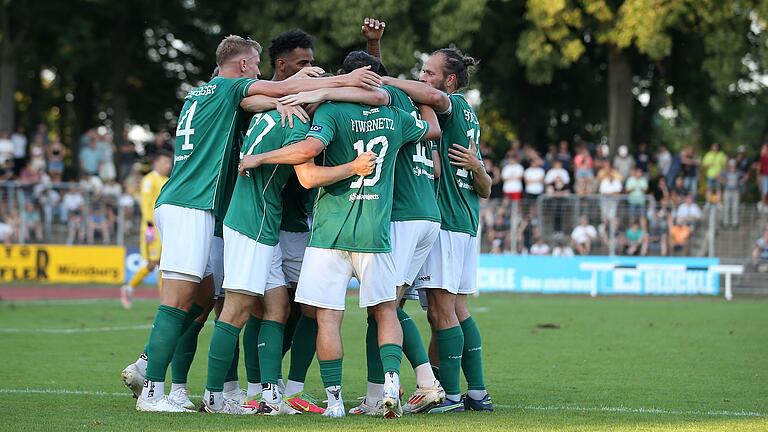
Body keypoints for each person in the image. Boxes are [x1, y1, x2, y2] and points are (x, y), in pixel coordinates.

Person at [124, 34, 382, 413]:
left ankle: (191, 386)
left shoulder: (204, 93)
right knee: (191, 304)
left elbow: (269, 96)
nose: (261, 74)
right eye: (257, 67)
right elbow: (280, 92)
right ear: (243, 66)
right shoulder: (235, 87)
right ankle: (161, 389)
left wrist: (299, 91)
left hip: (197, 206)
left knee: (206, 303)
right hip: (199, 205)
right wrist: (338, 81)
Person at [340, 43, 448, 415]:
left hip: (401, 215)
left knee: (383, 306)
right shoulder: (412, 102)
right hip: (428, 214)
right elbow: (433, 154)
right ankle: (379, 393)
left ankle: (424, 383)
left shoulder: (381, 103)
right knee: (385, 306)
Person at [405, 47, 493, 414]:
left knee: (443, 311)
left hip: (447, 223)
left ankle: (452, 397)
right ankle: (477, 393)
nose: (423, 79)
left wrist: (379, 80)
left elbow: (433, 97)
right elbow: (486, 188)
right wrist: (476, 167)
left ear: (450, 80)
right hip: (465, 223)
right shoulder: (470, 117)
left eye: (428, 73)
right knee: (456, 310)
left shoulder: (453, 106)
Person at [120, 151, 172, 309]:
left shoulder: (167, 180)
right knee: (156, 262)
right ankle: (164, 299)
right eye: (165, 162)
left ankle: (128, 288)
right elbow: (145, 203)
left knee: (156, 263)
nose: (168, 165)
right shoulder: (149, 179)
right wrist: (150, 227)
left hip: (165, 227)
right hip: (152, 228)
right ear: (156, 163)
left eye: (169, 163)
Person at [720, 159, 743, 228]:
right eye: (731, 166)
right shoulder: (725, 172)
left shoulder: (738, 172)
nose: (732, 167)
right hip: (727, 191)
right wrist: (723, 181)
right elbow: (717, 175)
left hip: (735, 191)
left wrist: (741, 182)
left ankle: (735, 223)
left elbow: (745, 175)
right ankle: (725, 222)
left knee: (735, 208)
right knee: (726, 207)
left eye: (734, 166)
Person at [757, 143, 768, 212]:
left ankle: (765, 204)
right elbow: (759, 167)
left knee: (765, 191)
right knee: (764, 191)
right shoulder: (762, 158)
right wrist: (758, 177)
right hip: (764, 176)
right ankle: (763, 204)